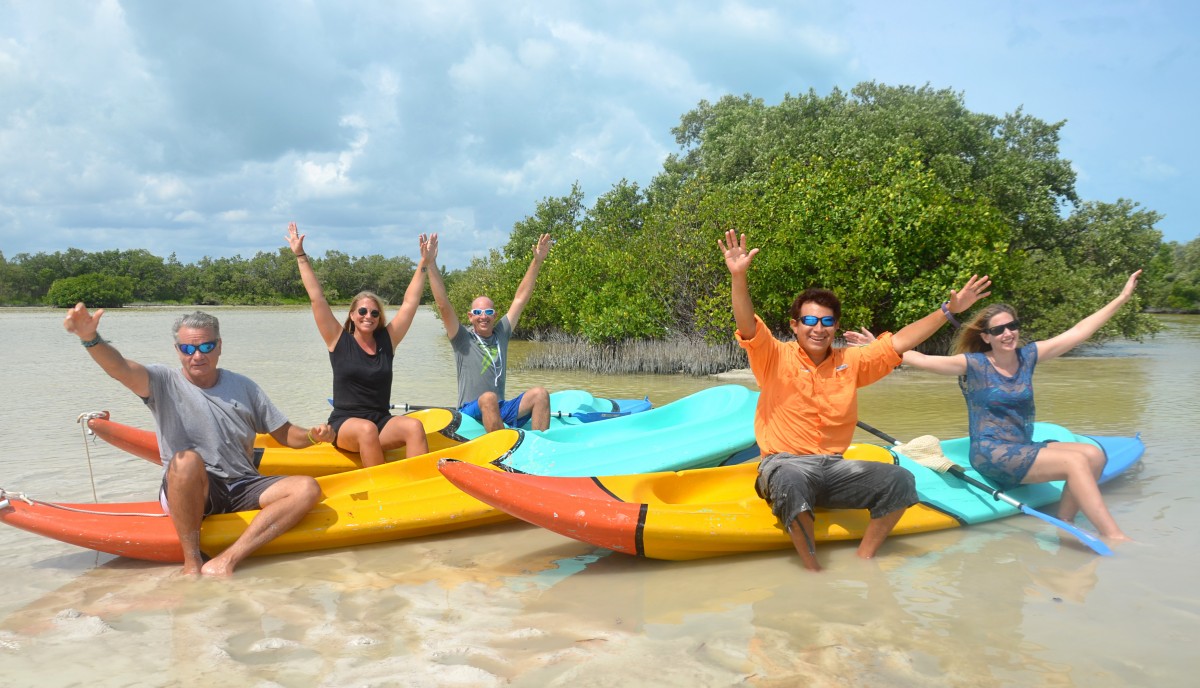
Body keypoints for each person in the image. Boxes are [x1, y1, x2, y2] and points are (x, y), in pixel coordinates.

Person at [720, 229, 992, 571]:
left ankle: (865, 559)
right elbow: (746, 322)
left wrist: (948, 311)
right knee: (791, 476)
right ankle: (813, 571)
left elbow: (899, 343)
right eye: (809, 320)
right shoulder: (772, 355)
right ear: (795, 325)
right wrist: (739, 276)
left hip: (834, 468)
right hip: (783, 465)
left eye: (827, 322)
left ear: (835, 327)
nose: (818, 328)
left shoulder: (852, 362)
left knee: (899, 480)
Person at [63, 305, 331, 577]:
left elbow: (284, 433)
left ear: (219, 346)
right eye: (188, 349)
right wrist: (91, 339)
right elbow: (119, 368)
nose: (197, 355)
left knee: (306, 488)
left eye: (206, 346)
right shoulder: (161, 381)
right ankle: (191, 562)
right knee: (187, 459)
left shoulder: (245, 386)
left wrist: (312, 436)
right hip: (192, 486)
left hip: (242, 484)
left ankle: (227, 559)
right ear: (178, 350)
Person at [897, 270, 1142, 542]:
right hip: (992, 455)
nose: (1007, 333)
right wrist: (880, 347)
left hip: (1023, 447)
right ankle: (1115, 536)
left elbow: (1078, 332)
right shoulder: (974, 364)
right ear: (987, 337)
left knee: (1093, 454)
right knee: (1075, 463)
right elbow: (921, 359)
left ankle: (1065, 520)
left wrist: (1121, 298)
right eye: (998, 329)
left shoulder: (1028, 357)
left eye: (1012, 326)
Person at [286, 222, 431, 467]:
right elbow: (316, 298)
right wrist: (300, 256)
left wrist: (424, 262)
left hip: (381, 421)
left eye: (374, 314)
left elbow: (410, 303)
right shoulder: (338, 340)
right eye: (362, 311)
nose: (368, 316)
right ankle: (378, 491)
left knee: (414, 426)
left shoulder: (387, 341)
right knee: (365, 430)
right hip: (346, 425)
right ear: (352, 315)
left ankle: (418, 486)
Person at [425, 233, 552, 432]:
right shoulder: (462, 339)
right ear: (470, 316)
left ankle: (539, 446)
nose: (483, 316)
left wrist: (537, 262)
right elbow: (443, 305)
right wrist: (430, 263)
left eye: (488, 312)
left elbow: (520, 299)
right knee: (488, 398)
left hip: (500, 407)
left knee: (541, 394)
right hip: (469, 410)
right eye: (477, 312)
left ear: (495, 315)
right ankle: (502, 450)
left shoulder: (501, 333)